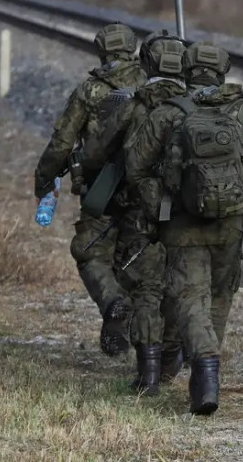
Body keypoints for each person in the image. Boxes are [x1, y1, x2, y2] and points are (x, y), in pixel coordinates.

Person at [124, 41, 243, 414]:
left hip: (182, 225)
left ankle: (206, 373)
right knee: (219, 298)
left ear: (187, 69)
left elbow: (135, 168)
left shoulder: (167, 114)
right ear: (223, 70)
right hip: (232, 225)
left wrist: (160, 203)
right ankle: (206, 380)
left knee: (190, 298)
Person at [79, 30, 188, 395]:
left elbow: (95, 153)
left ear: (147, 63)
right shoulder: (198, 106)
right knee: (181, 286)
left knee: (145, 287)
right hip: (189, 213)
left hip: (141, 209)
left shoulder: (131, 104)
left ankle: (149, 375)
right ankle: (176, 359)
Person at [33, 22, 147, 356]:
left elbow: (62, 142)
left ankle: (113, 302)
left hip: (101, 191)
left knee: (89, 252)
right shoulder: (151, 86)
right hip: (147, 193)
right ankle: (152, 344)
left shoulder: (89, 90)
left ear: (101, 51)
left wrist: (44, 181)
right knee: (140, 257)